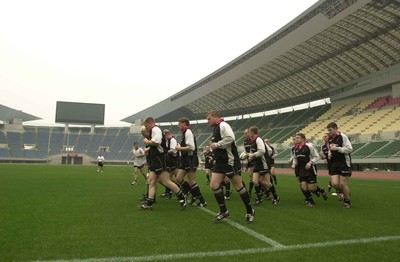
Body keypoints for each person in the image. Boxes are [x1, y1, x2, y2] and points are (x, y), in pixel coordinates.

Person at [207, 111, 254, 224]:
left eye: (209, 118)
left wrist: (216, 145)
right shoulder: (216, 127)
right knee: (214, 185)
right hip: (220, 162)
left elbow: (230, 138)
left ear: (215, 117)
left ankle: (250, 211)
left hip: (229, 161)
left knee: (238, 186)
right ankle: (224, 211)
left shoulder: (223, 125)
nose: (207, 121)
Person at [138, 117, 187, 210]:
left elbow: (157, 142)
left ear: (150, 123)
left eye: (146, 125)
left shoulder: (155, 129)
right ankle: (149, 203)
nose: (146, 127)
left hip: (159, 158)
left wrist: (147, 142)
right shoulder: (154, 130)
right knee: (151, 181)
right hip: (155, 159)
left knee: (166, 181)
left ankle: (182, 196)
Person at [175, 117, 207, 207]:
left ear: (184, 123)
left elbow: (191, 147)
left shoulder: (188, 132)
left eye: (179, 124)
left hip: (190, 159)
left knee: (191, 180)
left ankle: (202, 201)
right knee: (178, 178)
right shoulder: (185, 133)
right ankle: (190, 192)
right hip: (185, 159)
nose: (178, 126)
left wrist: (179, 148)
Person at [291, 133, 327, 207]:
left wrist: (310, 163)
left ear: (303, 139)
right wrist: (294, 164)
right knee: (303, 186)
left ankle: (321, 191)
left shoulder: (309, 146)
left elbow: (317, 157)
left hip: (310, 170)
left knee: (311, 188)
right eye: (296, 138)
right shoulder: (295, 148)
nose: (296, 139)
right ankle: (311, 201)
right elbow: (295, 158)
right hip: (301, 170)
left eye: (298, 138)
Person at [247, 126, 280, 206]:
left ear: (252, 132)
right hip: (257, 164)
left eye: (249, 132)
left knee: (267, 183)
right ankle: (259, 198)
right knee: (255, 181)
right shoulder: (253, 141)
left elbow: (262, 151)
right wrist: (249, 156)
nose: (248, 133)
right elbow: (268, 150)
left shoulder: (258, 140)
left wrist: (253, 155)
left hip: (263, 164)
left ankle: (276, 197)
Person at [327, 122, 353, 208]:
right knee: (334, 184)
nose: (329, 132)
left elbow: (350, 149)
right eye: (328, 130)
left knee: (342, 184)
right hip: (335, 163)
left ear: (335, 129)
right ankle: (345, 193)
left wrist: (337, 149)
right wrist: (329, 154)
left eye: (330, 130)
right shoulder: (330, 139)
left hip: (344, 162)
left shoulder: (343, 136)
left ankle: (347, 201)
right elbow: (330, 149)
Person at [162, 129, 179, 198]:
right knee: (169, 177)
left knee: (169, 178)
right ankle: (169, 191)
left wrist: (165, 152)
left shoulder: (172, 140)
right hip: (170, 160)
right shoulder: (168, 141)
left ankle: (179, 190)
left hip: (173, 161)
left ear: (167, 134)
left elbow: (173, 150)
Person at [243, 129, 255, 196]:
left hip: (255, 160)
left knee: (259, 178)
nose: (245, 134)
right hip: (249, 161)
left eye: (246, 133)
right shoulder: (245, 141)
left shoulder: (253, 140)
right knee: (251, 175)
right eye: (244, 133)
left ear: (249, 133)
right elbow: (246, 151)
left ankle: (266, 191)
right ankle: (250, 192)